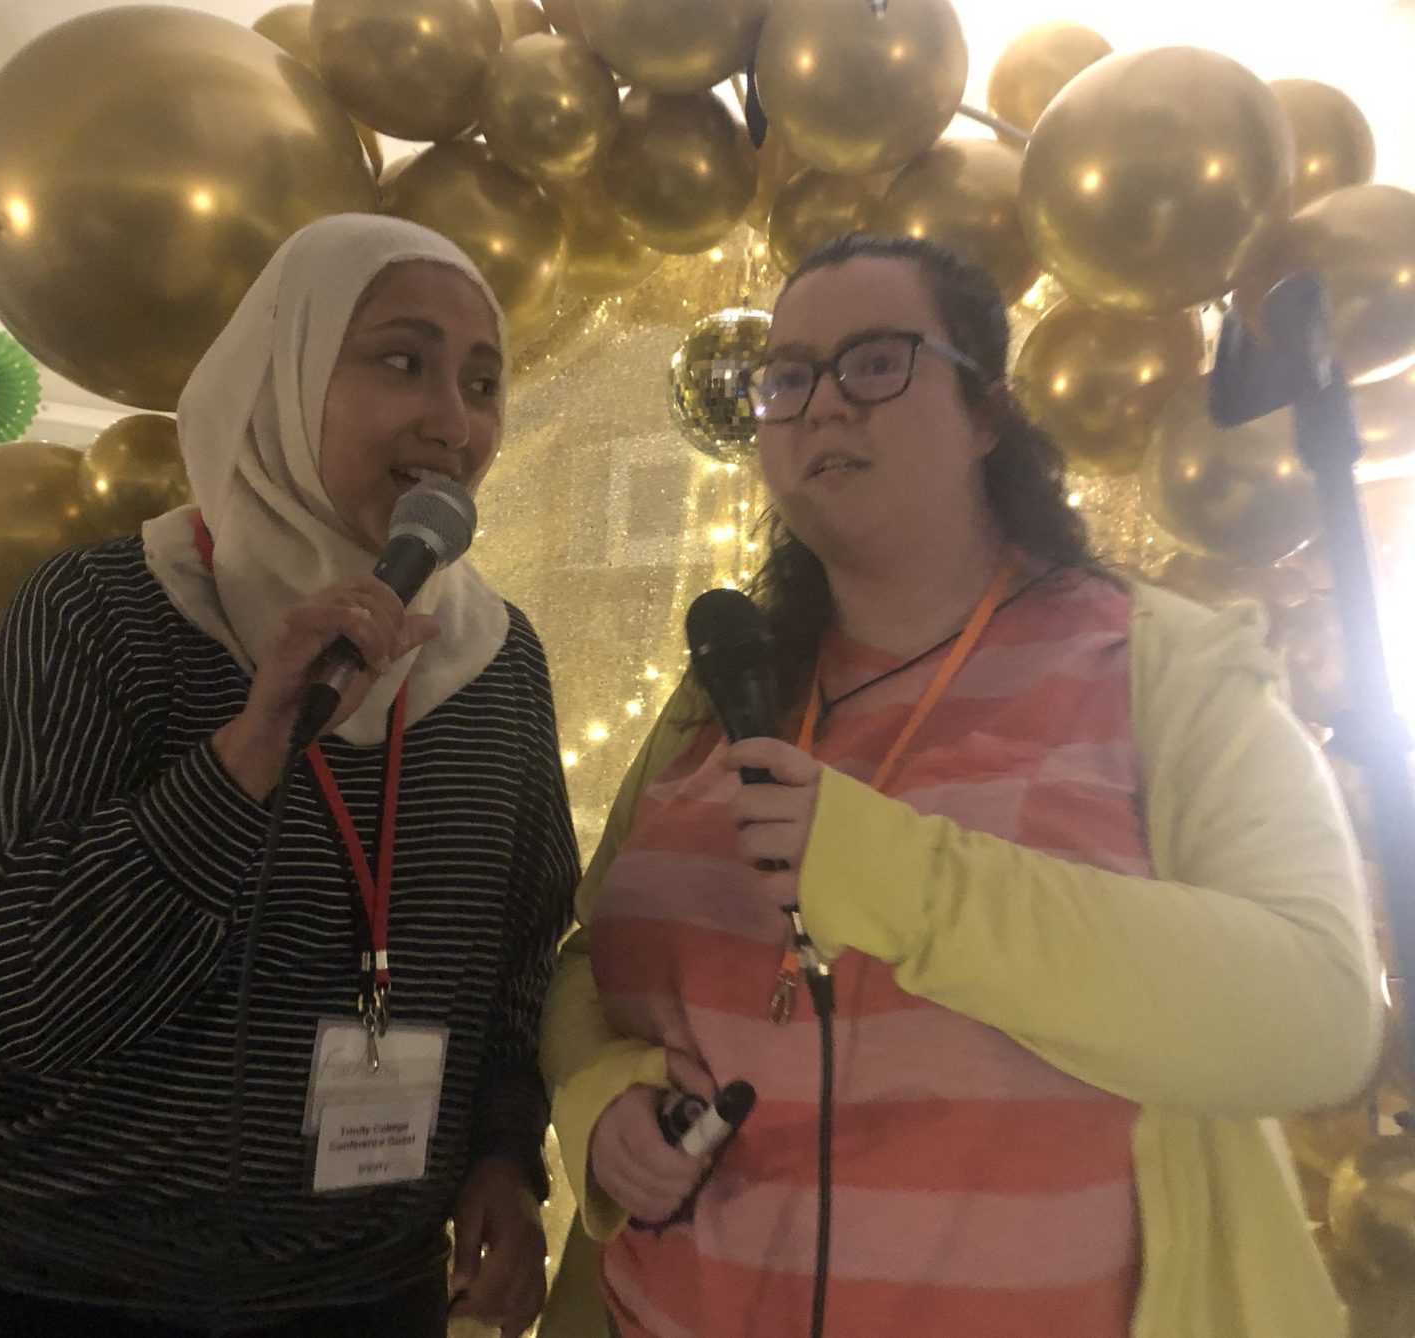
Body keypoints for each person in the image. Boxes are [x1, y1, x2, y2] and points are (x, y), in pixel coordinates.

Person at [539, 233, 1383, 1338]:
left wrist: (892, 876)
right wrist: (598, 1099)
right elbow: (584, 967)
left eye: (875, 362)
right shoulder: (720, 696)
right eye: (785, 379)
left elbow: (1314, 1015)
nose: (821, 406)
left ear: (987, 414)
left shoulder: (1160, 665)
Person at [0, 215, 578, 1338]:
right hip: (38, 1282)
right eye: (401, 359)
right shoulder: (100, 614)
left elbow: (521, 952)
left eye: (482, 381)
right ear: (281, 372)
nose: (453, 420)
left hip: (359, 1295)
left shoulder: (494, 660)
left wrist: (502, 1156)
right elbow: (23, 1004)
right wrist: (246, 755)